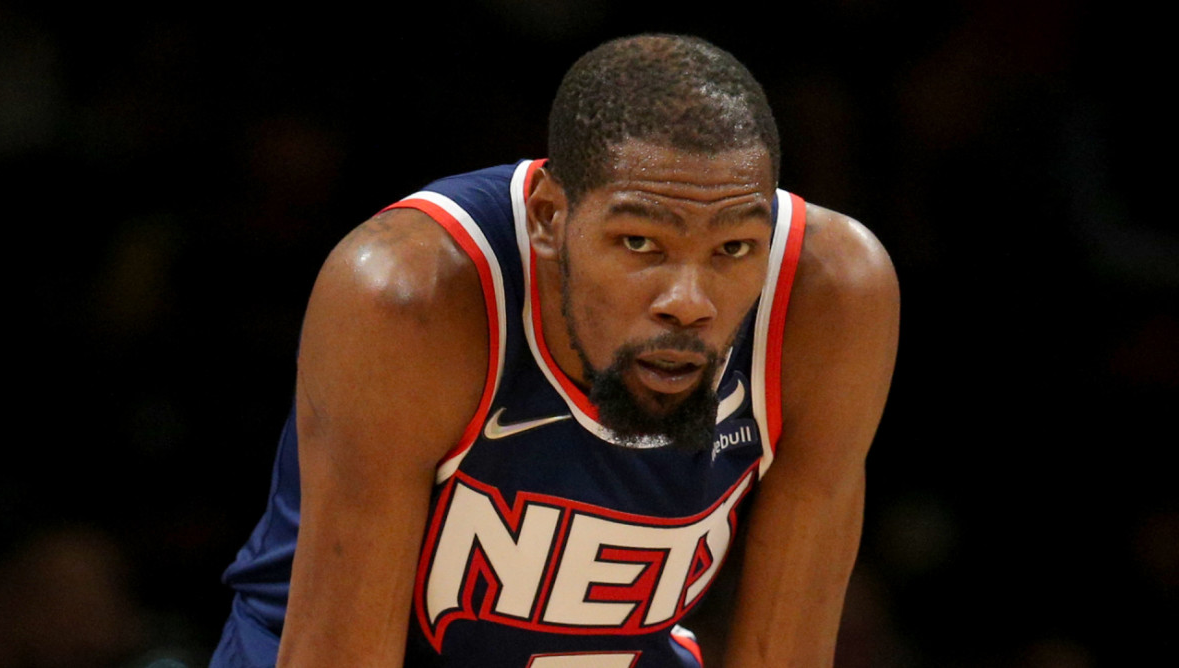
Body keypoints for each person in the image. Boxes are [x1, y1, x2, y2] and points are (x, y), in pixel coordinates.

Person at [211, 33, 899, 668]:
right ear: (548, 217)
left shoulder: (831, 296)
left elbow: (783, 651)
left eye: (733, 249)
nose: (690, 301)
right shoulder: (411, 295)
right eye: (641, 243)